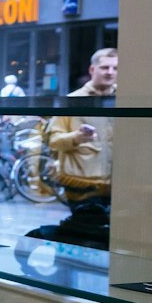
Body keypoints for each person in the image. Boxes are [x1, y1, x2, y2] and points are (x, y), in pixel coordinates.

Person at [37, 48, 117, 247]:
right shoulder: (73, 100)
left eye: (115, 68)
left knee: (112, 242)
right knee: (87, 241)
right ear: (92, 69)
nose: (110, 72)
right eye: (105, 67)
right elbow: (53, 140)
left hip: (118, 187)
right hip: (82, 188)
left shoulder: (123, 100)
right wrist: (77, 137)